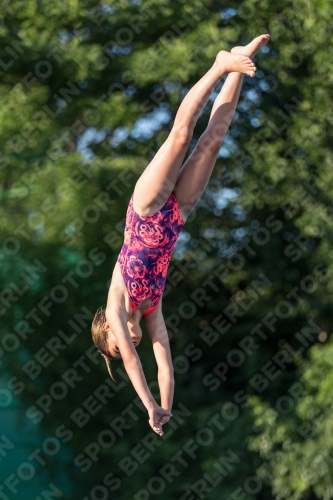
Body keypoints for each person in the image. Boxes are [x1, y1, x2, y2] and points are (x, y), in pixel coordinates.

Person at [91, 34, 270, 436]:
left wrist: (147, 403)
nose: (130, 344)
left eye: (122, 346)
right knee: (213, 141)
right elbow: (163, 362)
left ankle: (219, 65)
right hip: (175, 217)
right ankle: (238, 64)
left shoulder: (117, 307)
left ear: (107, 331)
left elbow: (137, 367)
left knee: (181, 135)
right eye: (128, 345)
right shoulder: (150, 310)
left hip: (146, 210)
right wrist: (165, 409)